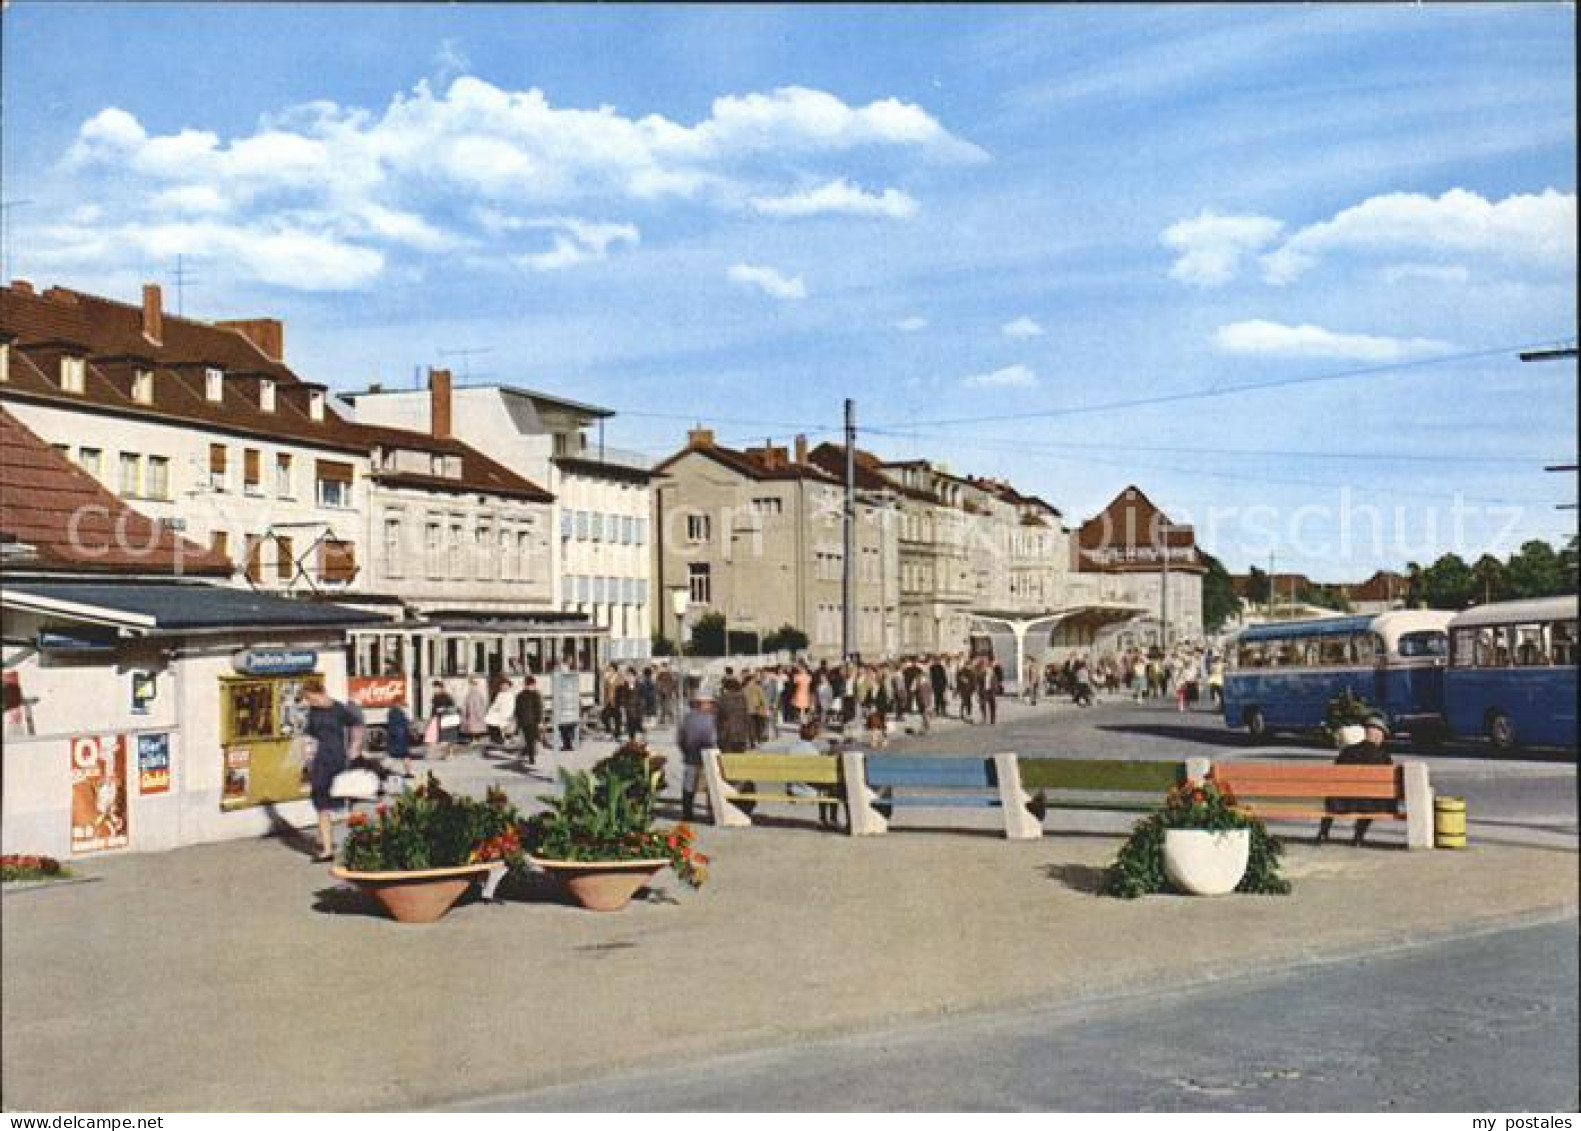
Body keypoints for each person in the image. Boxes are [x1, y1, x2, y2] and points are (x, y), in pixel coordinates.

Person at [302, 687, 364, 862]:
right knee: (321, 803)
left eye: (310, 697)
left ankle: (359, 844)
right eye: (307, 698)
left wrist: (355, 747)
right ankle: (327, 849)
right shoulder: (312, 713)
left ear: (321, 693)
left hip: (338, 759)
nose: (309, 701)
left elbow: (356, 724)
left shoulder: (338, 709)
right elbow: (309, 737)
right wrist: (307, 760)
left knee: (346, 802)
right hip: (321, 760)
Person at [1319, 711, 1397, 846]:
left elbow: (1334, 777)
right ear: (1379, 736)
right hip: (1370, 806)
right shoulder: (1383, 756)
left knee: (1332, 797)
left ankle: (1323, 832)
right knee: (1373, 800)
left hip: (1341, 804)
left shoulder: (1347, 752)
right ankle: (1358, 836)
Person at [676, 692, 718, 822]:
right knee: (711, 783)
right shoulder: (713, 718)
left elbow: (680, 738)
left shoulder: (688, 718)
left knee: (691, 782)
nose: (710, 706)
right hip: (707, 751)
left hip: (693, 752)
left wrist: (685, 750)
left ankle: (688, 812)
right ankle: (711, 813)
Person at [715, 670, 753, 755]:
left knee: (727, 762)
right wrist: (751, 738)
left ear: (726, 688)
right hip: (741, 736)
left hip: (726, 736)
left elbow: (717, 719)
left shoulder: (722, 699)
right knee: (738, 761)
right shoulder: (743, 699)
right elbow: (747, 718)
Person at [513, 676, 544, 766]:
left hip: (529, 721)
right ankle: (531, 755)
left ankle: (530, 755)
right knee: (530, 739)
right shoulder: (533, 695)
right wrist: (540, 721)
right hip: (530, 721)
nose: (531, 686)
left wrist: (539, 721)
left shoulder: (521, 695)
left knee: (530, 739)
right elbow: (538, 709)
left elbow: (517, 710)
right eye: (531, 685)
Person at [551, 662, 581, 752]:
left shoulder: (559, 680)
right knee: (568, 727)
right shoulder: (572, 679)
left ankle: (567, 744)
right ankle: (569, 744)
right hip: (570, 708)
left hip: (564, 708)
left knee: (564, 727)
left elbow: (557, 694)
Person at [484, 677, 515, 748]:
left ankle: (502, 739)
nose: (503, 687)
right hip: (499, 713)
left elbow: (511, 707)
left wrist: (508, 715)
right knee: (489, 719)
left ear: (508, 686)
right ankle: (495, 739)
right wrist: (490, 711)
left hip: (507, 714)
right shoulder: (500, 694)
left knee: (498, 722)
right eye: (502, 686)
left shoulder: (510, 695)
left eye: (505, 686)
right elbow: (495, 705)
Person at [461, 678, 489, 747]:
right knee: (472, 728)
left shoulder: (477, 693)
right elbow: (466, 703)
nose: (471, 686)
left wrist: (479, 713)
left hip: (476, 713)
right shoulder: (469, 693)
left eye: (473, 685)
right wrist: (465, 711)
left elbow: (480, 704)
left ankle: (476, 740)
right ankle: (475, 739)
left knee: (475, 728)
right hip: (471, 713)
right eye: (470, 685)